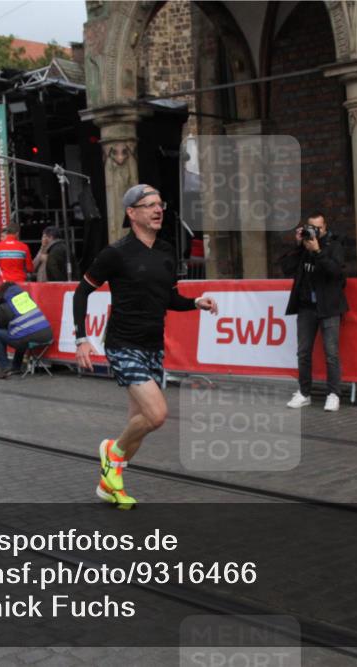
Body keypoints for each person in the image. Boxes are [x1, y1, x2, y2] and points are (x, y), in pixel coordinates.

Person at [74, 184, 219, 510]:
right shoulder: (116, 253)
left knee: (137, 425)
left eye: (160, 204)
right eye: (149, 205)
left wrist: (196, 302)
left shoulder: (166, 250)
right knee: (157, 415)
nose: (158, 210)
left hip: (153, 345)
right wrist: (81, 338)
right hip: (123, 344)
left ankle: (109, 484)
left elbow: (168, 298)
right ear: (132, 213)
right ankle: (111, 451)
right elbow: (81, 291)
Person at [280, 212, 348, 412]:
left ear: (325, 228)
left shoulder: (334, 246)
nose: (315, 232)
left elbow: (336, 273)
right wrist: (298, 245)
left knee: (331, 353)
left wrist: (318, 251)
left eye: (318, 228)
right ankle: (304, 392)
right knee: (303, 352)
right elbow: (286, 268)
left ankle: (333, 394)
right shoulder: (303, 248)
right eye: (311, 227)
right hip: (306, 307)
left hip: (329, 307)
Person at [0, 281, 53, 379]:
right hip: (47, 335)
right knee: (20, 332)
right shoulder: (26, 298)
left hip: (30, 337)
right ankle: (16, 366)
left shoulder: (6, 304)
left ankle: (4, 367)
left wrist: (0, 305)